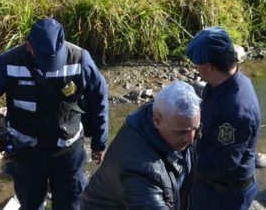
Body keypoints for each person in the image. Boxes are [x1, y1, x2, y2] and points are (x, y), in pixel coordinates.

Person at [0, 18, 109, 210]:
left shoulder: (80, 59)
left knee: (71, 205)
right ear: (29, 47)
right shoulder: (9, 62)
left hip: (68, 153)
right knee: (31, 205)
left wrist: (99, 142)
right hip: (27, 154)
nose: (51, 66)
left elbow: (98, 98)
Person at [81, 80, 200, 210]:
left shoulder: (164, 116)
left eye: (194, 129)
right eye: (181, 132)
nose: (190, 138)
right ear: (156, 121)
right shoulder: (139, 169)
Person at [187, 27, 261, 210]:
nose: (196, 70)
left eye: (196, 65)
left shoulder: (236, 110)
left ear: (208, 66)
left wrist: (180, 153)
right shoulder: (221, 84)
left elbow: (221, 164)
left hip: (225, 195)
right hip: (212, 185)